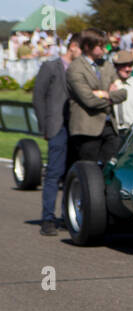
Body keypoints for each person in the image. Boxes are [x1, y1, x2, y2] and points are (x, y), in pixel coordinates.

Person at [31, 35, 80, 235]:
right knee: (54, 172)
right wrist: (45, 127)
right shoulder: (51, 67)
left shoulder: (80, 69)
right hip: (56, 126)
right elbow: (38, 97)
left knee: (72, 172)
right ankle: (47, 219)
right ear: (73, 47)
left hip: (76, 126)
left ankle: (68, 215)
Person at [66, 29, 125, 166]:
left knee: (111, 167)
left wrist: (103, 94)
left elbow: (123, 93)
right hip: (87, 129)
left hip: (110, 126)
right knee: (89, 171)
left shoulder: (107, 66)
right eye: (101, 46)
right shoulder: (75, 69)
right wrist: (111, 97)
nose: (105, 49)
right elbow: (89, 100)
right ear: (87, 46)